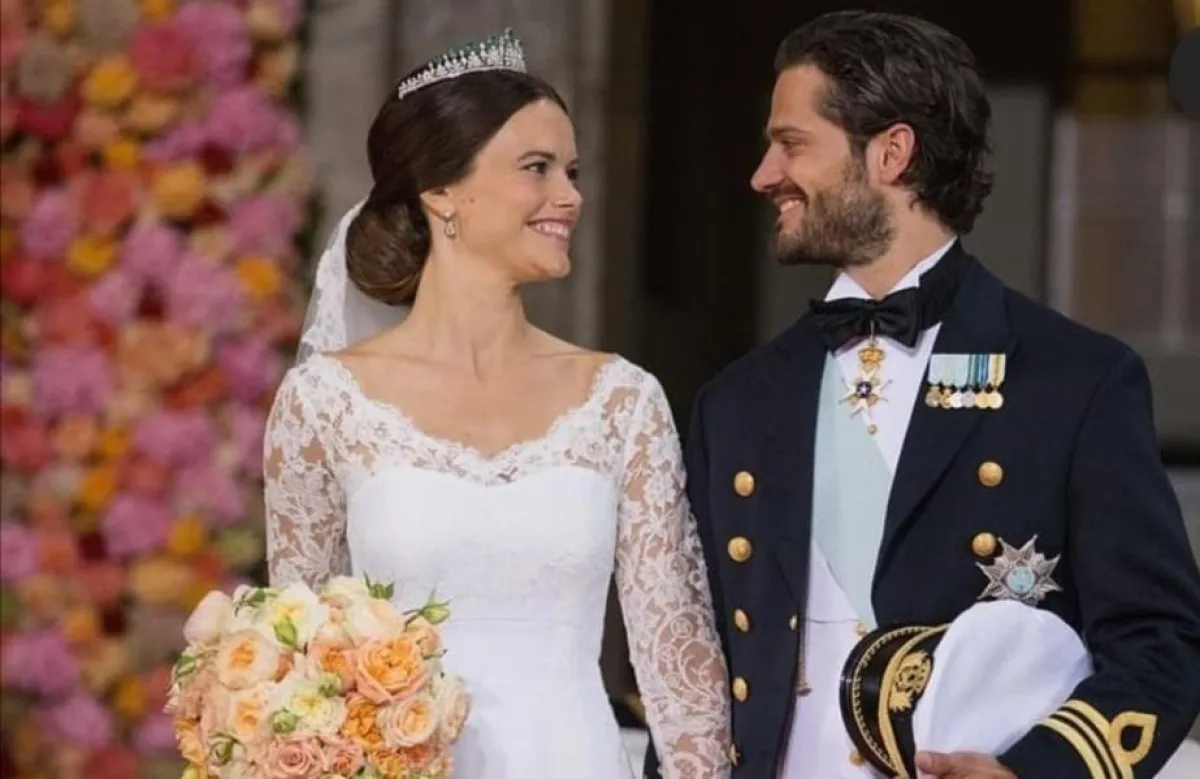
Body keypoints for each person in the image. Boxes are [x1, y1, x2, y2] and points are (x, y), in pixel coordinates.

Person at [641, 10, 1200, 779]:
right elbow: (692, 671)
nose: (763, 175)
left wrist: (1030, 772)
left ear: (891, 153)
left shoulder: (1074, 380)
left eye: (792, 143)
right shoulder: (736, 402)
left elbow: (1159, 643)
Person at [263, 30, 731, 779]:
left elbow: (679, 667)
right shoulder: (324, 403)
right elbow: (301, 664)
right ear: (441, 190)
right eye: (536, 168)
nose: (570, 196)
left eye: (571, 171)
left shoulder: (621, 400)